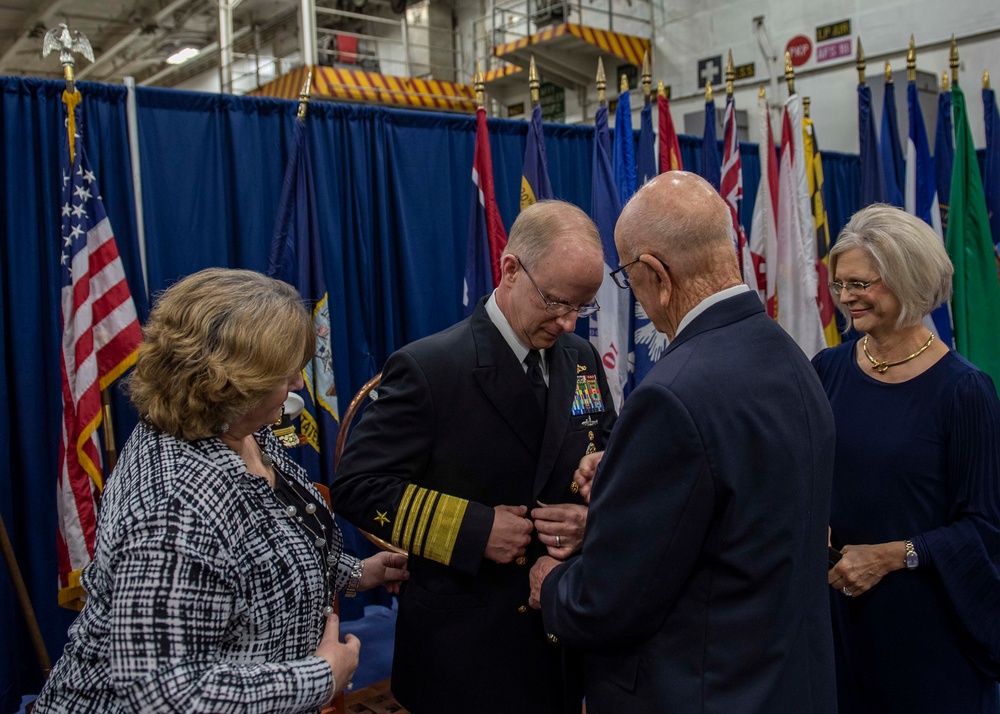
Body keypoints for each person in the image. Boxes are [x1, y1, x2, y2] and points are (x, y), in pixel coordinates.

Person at [529, 171, 837, 713]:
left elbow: (608, 603)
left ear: (655, 272)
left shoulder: (673, 394)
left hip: (701, 689)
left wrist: (553, 586)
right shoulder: (790, 355)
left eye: (628, 277)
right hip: (785, 683)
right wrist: (628, 476)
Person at [34, 268, 408, 714]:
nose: (296, 385)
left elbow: (263, 550)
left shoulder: (238, 426)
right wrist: (320, 678)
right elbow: (160, 692)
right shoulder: (174, 507)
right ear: (232, 381)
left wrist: (354, 573)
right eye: (284, 373)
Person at [330, 200, 617, 714]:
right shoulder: (429, 367)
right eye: (556, 302)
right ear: (510, 270)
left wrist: (593, 515)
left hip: (561, 638)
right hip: (467, 651)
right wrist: (475, 529)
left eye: (583, 307)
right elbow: (358, 484)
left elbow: (607, 450)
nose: (570, 322)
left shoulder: (581, 358)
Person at [815, 205, 1000, 714]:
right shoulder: (826, 369)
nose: (846, 298)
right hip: (836, 626)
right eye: (840, 283)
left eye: (861, 284)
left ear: (908, 280)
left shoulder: (965, 391)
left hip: (929, 636)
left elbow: (984, 527)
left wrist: (892, 555)